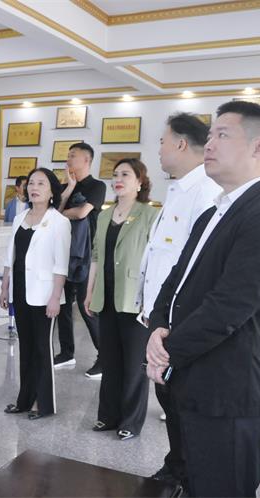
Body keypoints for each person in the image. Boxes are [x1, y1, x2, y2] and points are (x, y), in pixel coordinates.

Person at [146, 101, 260, 497]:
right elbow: (176, 280)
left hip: (230, 394)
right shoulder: (214, 212)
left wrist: (165, 352)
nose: (209, 144)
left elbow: (228, 307)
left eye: (223, 135)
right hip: (193, 384)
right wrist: (157, 325)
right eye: (210, 135)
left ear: (258, 147)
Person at [139, 113, 221, 488]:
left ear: (182, 144)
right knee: (168, 397)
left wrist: (171, 323)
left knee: (180, 401)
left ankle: (187, 473)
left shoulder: (204, 192)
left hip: (179, 322)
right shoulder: (178, 189)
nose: (158, 149)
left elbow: (197, 268)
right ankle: (177, 466)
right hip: (162, 317)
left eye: (162, 141)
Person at [84, 158, 158, 440]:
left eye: (125, 175)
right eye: (115, 174)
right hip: (106, 297)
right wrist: (89, 292)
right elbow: (96, 256)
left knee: (134, 364)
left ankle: (130, 422)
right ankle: (107, 416)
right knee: (110, 360)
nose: (118, 179)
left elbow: (155, 260)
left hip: (134, 299)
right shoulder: (104, 215)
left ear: (139, 182)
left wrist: (152, 300)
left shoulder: (149, 214)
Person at [0, 168, 71, 420]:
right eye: (31, 183)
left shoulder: (59, 222)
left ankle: (44, 404)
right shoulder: (20, 217)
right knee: (26, 347)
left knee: (42, 348)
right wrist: (5, 286)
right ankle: (24, 400)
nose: (34, 187)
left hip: (44, 294)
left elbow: (61, 265)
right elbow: (10, 256)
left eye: (41, 183)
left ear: (52, 191)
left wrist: (55, 298)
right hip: (20, 290)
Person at [56, 142, 106, 377]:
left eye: (72, 156)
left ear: (87, 160)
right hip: (63, 253)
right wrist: (69, 189)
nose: (68, 160)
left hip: (86, 255)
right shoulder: (64, 187)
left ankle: (104, 357)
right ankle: (67, 353)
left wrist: (63, 212)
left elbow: (82, 212)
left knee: (87, 307)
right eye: (67, 156)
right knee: (63, 306)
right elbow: (53, 215)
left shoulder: (97, 186)